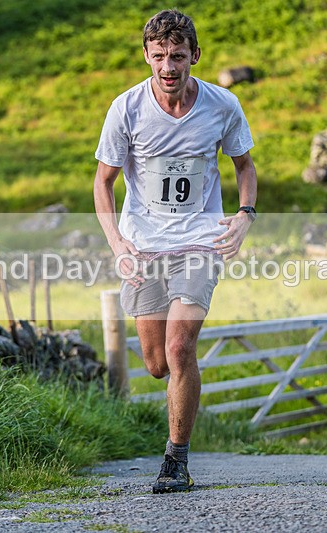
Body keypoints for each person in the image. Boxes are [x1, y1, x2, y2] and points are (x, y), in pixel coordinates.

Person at [93, 9, 257, 494]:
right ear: (147, 56)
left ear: (195, 57)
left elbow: (244, 166)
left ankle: (175, 461)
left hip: (200, 242)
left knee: (180, 347)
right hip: (143, 246)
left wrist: (245, 215)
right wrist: (118, 243)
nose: (169, 66)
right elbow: (103, 184)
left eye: (178, 56)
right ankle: (175, 432)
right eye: (160, 56)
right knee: (156, 362)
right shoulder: (125, 109)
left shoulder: (222, 105)